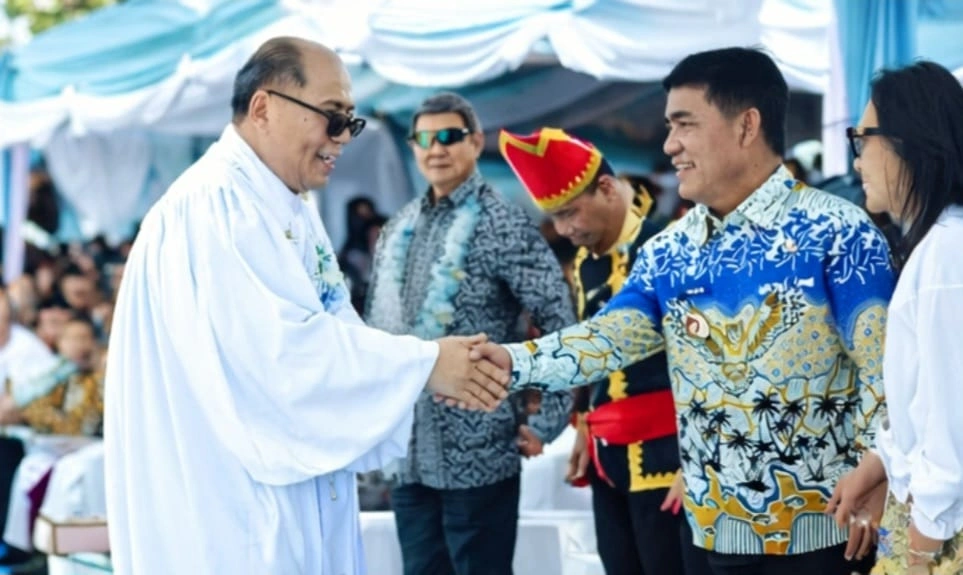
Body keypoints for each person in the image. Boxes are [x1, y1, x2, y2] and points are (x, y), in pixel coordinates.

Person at [472, 47, 895, 574]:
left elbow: (885, 377)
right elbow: (605, 340)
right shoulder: (669, 251)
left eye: (684, 124)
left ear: (746, 125)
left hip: (825, 533)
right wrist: (510, 363)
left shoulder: (839, 232)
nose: (669, 145)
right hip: (708, 534)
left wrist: (881, 479)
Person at [103, 37, 509, 575]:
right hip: (231, 516)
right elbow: (279, 359)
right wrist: (424, 364)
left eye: (350, 122)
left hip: (283, 499)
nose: (341, 138)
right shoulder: (215, 207)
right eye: (332, 117)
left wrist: (421, 366)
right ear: (264, 107)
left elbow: (329, 328)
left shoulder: (283, 204)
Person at [365, 93, 575, 575]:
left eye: (449, 137)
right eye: (423, 138)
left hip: (479, 448)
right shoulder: (399, 226)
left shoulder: (504, 224)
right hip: (409, 453)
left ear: (476, 142)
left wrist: (548, 420)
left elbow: (557, 318)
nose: (435, 148)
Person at [499, 127, 704, 575]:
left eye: (570, 213)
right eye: (554, 217)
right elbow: (592, 356)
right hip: (608, 459)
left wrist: (699, 462)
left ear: (608, 188)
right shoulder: (585, 265)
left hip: (668, 457)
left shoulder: (667, 247)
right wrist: (583, 427)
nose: (564, 229)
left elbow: (707, 364)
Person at [826, 61, 963, 575]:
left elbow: (950, 432)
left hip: (940, 534)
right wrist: (878, 464)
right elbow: (920, 408)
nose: (857, 161)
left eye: (863, 140)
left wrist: (919, 556)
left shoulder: (947, 255)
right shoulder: (936, 246)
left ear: (908, 141)